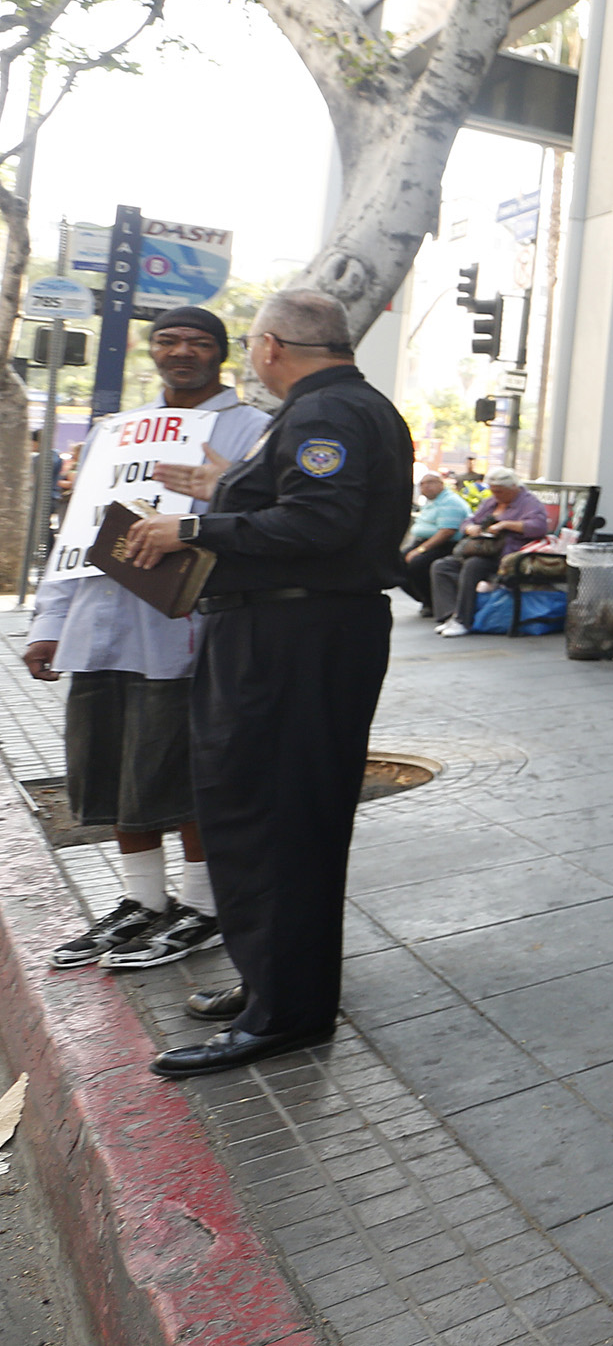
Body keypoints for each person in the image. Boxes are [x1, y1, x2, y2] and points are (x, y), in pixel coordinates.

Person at [115, 290, 412, 1077]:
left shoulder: (327, 414)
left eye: (249, 344)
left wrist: (193, 525)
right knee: (268, 814)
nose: (250, 357)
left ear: (272, 345)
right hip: (286, 632)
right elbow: (307, 509)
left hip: (293, 639)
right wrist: (227, 486)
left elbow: (320, 524)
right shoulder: (333, 409)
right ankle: (273, 986)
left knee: (274, 818)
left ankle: (287, 1013)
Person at [24, 306, 272, 971]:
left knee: (183, 772)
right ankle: (143, 900)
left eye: (198, 341)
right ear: (151, 348)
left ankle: (202, 906)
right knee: (106, 764)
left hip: (184, 629)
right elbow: (77, 530)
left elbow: (268, 525)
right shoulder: (116, 432)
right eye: (168, 339)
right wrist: (50, 622)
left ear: (223, 353)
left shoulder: (253, 430)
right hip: (99, 626)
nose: (182, 350)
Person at [429, 466, 554, 636]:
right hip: (482, 549)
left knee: (473, 566)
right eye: (494, 491)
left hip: (507, 555)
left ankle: (463, 621)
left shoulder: (528, 502)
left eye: (500, 492)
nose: (496, 495)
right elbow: (469, 521)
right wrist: (471, 528)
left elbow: (538, 527)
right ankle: (450, 615)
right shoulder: (492, 502)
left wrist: (506, 524)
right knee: (442, 566)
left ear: (513, 488)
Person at [398, 471, 471, 615]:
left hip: (445, 544)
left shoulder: (450, 501)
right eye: (423, 484)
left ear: (441, 484)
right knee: (396, 564)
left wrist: (420, 550)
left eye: (431, 482)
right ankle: (424, 598)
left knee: (417, 563)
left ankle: (430, 601)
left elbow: (447, 531)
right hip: (423, 542)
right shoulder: (431, 502)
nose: (426, 487)